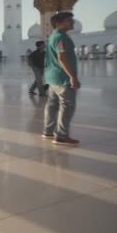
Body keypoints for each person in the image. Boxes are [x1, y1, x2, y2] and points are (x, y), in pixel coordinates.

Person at [42, 12, 80, 146]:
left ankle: (48, 131)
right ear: (59, 23)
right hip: (62, 78)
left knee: (52, 105)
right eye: (69, 20)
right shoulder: (60, 37)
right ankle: (61, 136)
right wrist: (73, 77)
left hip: (52, 77)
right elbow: (62, 57)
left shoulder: (53, 36)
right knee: (67, 105)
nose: (72, 22)